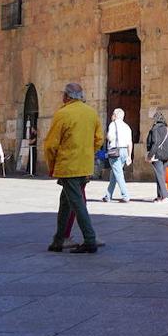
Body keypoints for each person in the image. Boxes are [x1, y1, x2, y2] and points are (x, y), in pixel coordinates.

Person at [45, 82, 104, 253]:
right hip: (85, 165)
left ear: (67, 96)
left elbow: (51, 145)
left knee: (77, 203)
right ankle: (58, 239)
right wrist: (88, 154)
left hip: (68, 165)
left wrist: (51, 164)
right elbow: (99, 139)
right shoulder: (92, 113)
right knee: (66, 201)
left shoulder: (62, 114)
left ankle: (90, 239)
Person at [103, 108, 133, 203]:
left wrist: (107, 135)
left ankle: (125, 195)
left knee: (118, 174)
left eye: (113, 114)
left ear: (115, 115)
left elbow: (110, 137)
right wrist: (129, 155)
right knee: (114, 174)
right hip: (124, 151)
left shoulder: (113, 124)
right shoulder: (127, 126)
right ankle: (108, 195)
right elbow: (130, 142)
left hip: (115, 151)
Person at [145, 111, 168, 203]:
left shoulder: (155, 129)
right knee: (161, 176)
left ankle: (165, 196)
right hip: (166, 156)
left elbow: (155, 143)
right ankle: (160, 196)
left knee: (159, 176)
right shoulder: (166, 129)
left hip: (157, 155)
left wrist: (149, 156)